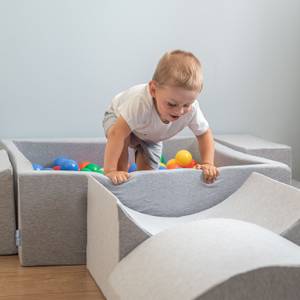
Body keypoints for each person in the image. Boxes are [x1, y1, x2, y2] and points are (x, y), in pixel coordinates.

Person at [102, 50, 219, 185]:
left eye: (187, 104)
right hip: (118, 118)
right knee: (120, 170)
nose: (180, 111)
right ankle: (117, 173)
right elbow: (117, 134)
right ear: (153, 90)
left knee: (147, 178)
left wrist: (207, 163)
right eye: (171, 104)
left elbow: (204, 134)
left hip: (151, 136)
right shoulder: (140, 103)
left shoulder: (192, 110)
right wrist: (110, 170)